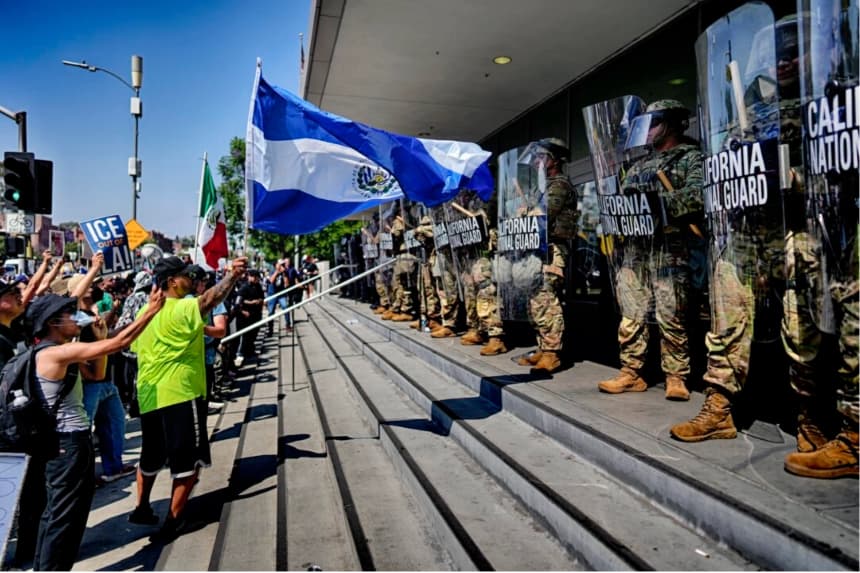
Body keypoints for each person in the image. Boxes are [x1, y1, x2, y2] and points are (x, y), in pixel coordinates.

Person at [27, 287, 164, 570]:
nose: (77, 317)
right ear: (52, 322)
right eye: (69, 313)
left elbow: (100, 370)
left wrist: (101, 337)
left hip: (70, 442)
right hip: (67, 444)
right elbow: (120, 342)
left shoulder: (59, 351)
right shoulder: (55, 353)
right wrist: (150, 311)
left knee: (59, 513)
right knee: (63, 517)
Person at [129, 256, 246, 542]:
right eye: (185, 276)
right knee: (187, 462)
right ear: (171, 281)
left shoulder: (145, 310)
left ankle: (142, 507)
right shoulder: (182, 306)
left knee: (151, 456)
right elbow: (209, 300)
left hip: (149, 395)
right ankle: (173, 521)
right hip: (180, 393)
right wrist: (232, 276)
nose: (190, 280)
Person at [596, 100, 704, 400]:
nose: (649, 130)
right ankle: (631, 372)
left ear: (671, 124)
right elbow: (621, 203)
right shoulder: (637, 166)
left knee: (671, 312)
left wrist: (656, 204)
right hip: (636, 250)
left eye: (654, 123)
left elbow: (697, 197)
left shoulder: (691, 157)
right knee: (631, 312)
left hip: (670, 249)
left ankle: (676, 376)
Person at [517, 138, 579, 373]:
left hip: (553, 249)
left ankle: (552, 353)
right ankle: (543, 347)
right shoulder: (541, 187)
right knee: (536, 301)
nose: (536, 161)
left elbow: (545, 213)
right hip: (537, 248)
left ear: (555, 159)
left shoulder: (559, 184)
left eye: (541, 156)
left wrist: (526, 212)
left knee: (546, 299)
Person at [234, 269, 264, 366]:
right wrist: (251, 303)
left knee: (253, 334)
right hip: (246, 314)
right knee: (245, 336)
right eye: (253, 277)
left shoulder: (258, 286)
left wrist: (260, 301)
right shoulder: (244, 287)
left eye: (257, 277)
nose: (255, 279)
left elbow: (262, 296)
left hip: (256, 314)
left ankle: (250, 351)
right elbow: (239, 301)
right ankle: (241, 353)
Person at [266, 260, 289, 335]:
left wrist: (284, 274)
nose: (282, 266)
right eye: (280, 265)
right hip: (272, 294)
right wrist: (277, 272)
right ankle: (270, 329)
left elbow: (286, 284)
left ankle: (288, 325)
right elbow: (271, 281)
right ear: (275, 265)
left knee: (285, 307)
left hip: (281, 294)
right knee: (271, 311)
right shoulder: (272, 271)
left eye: (283, 265)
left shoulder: (284, 273)